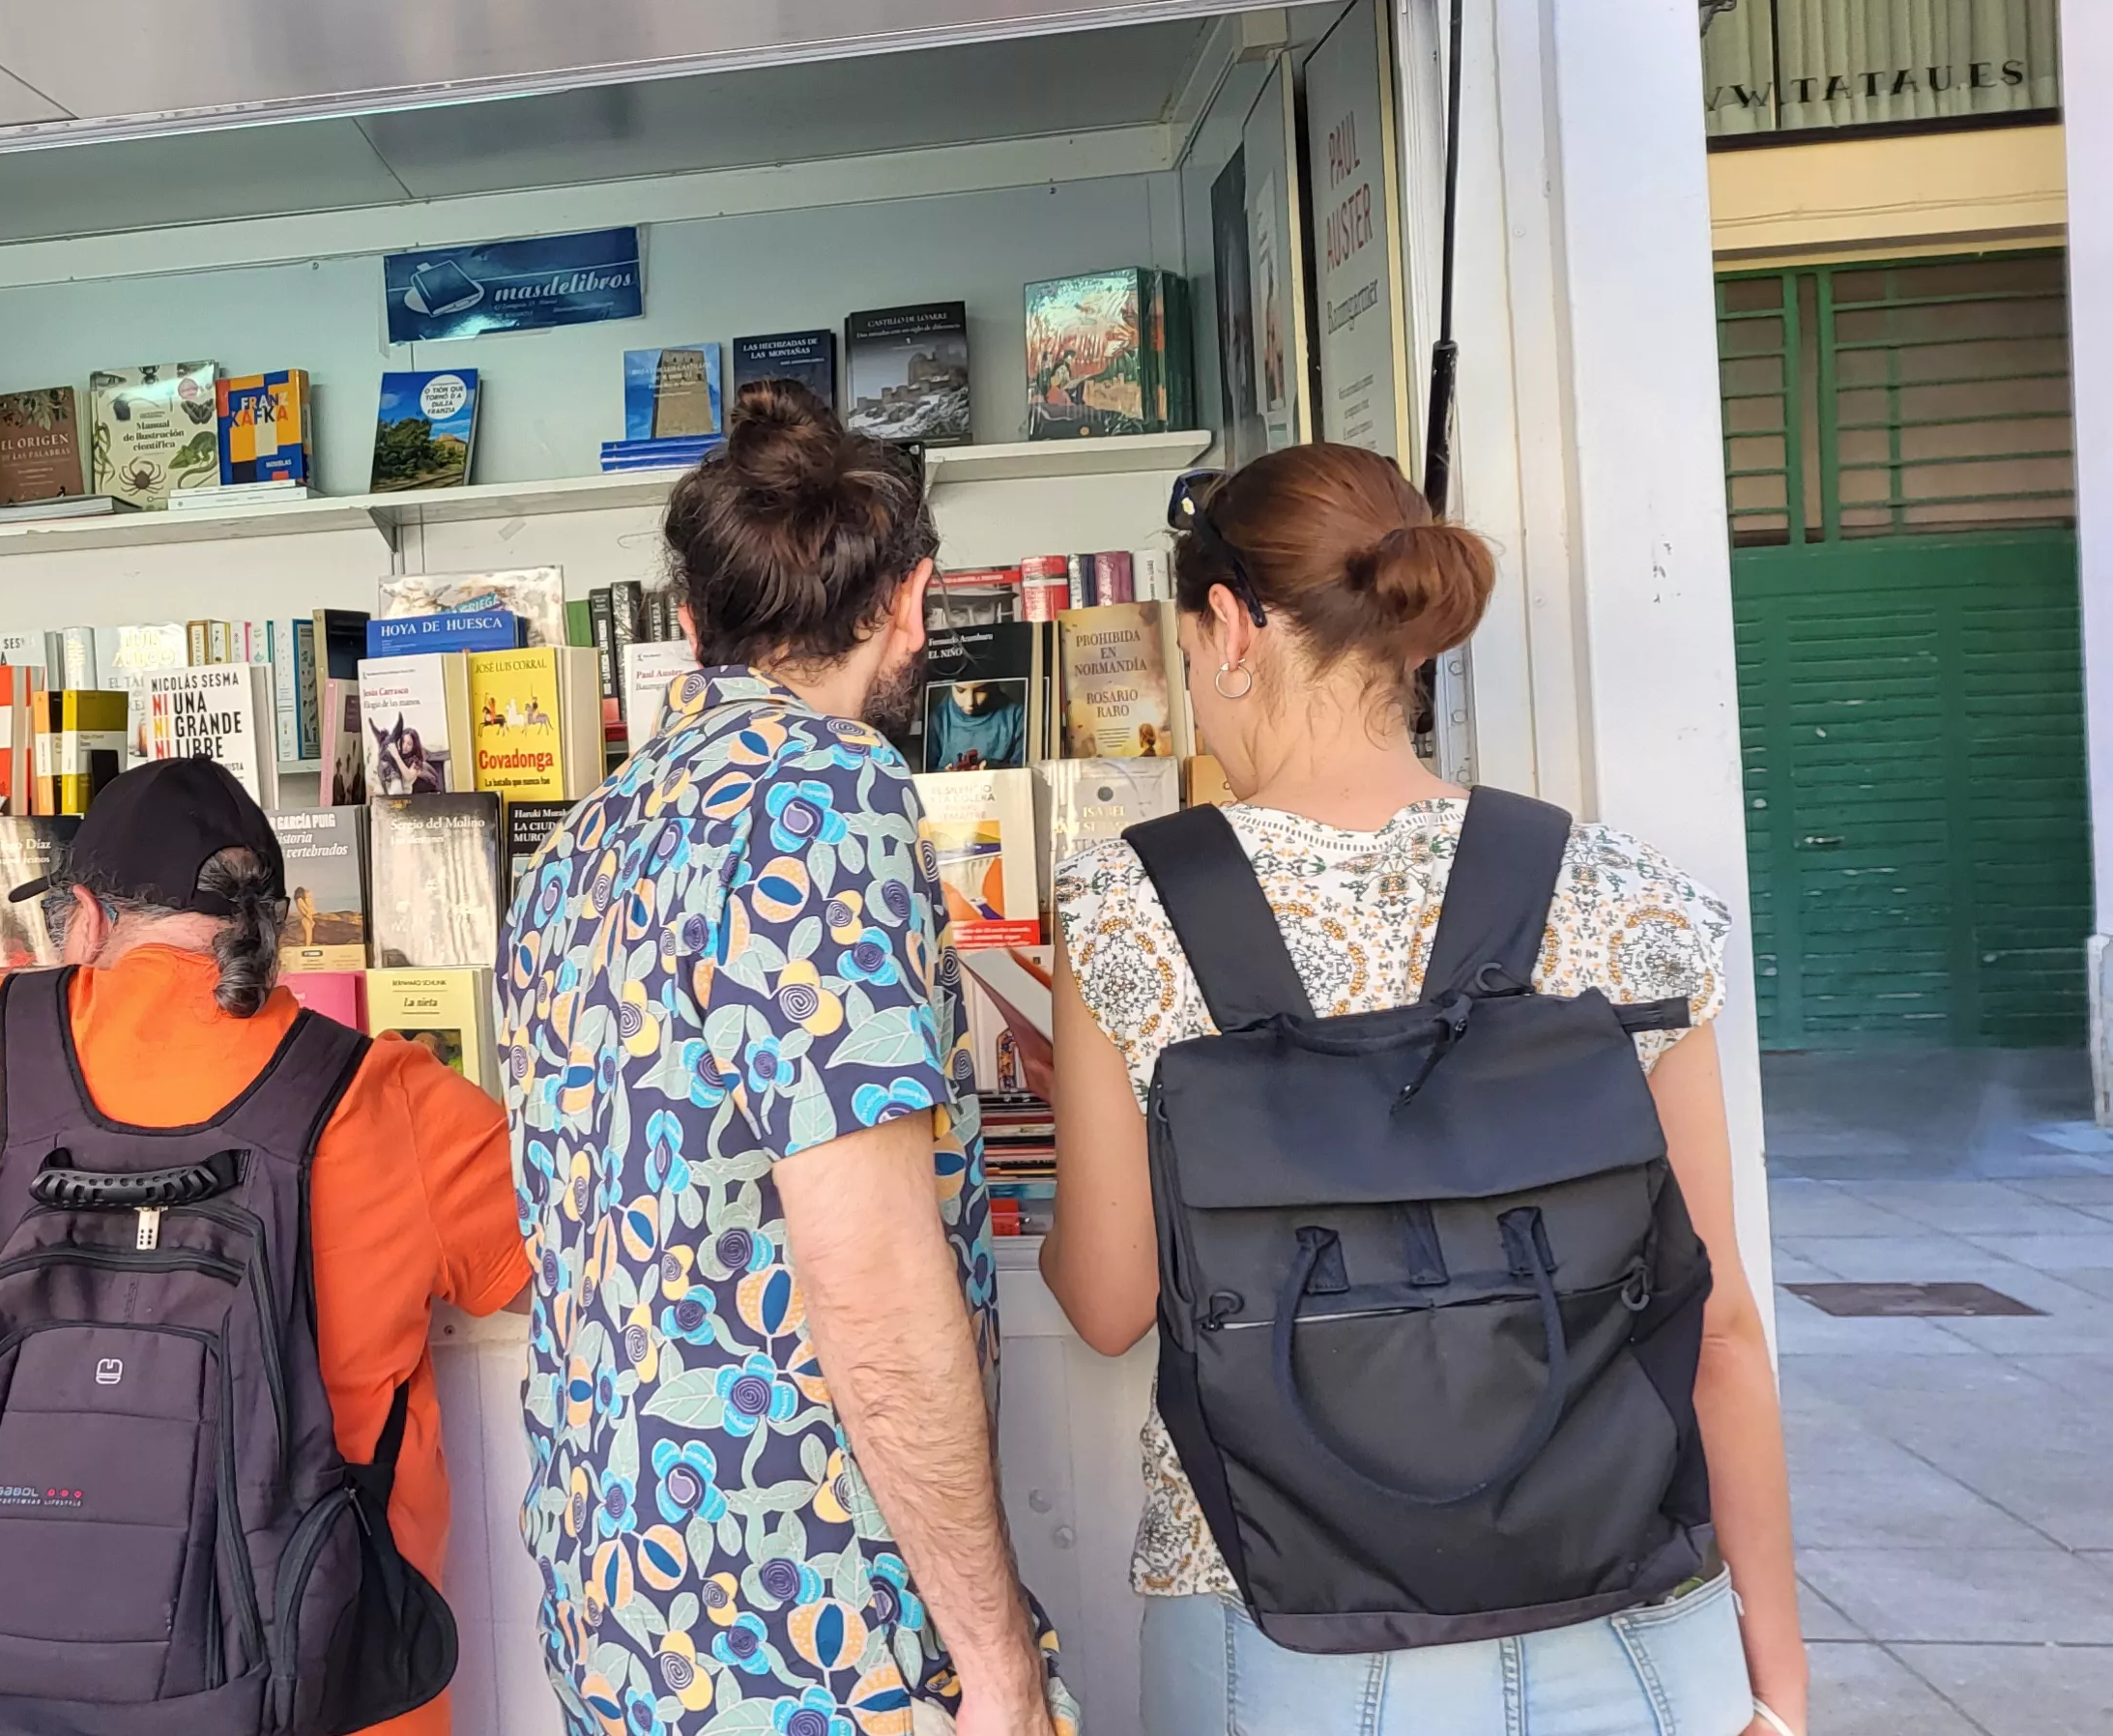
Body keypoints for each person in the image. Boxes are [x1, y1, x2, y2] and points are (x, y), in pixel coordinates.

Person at [1036, 443, 1805, 1736]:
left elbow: (1111, 1306)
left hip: (1276, 1642)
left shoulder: (1129, 910)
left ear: (1229, 626)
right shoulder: (1624, 899)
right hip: (1629, 1624)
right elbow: (1717, 1329)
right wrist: (1776, 1679)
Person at [500, 381, 1072, 1736]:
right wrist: (996, 1665)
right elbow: (866, 1272)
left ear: (692, 623)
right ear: (911, 599)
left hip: (626, 1608)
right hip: (804, 1612)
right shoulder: (828, 790)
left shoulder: (583, 840)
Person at [0, 756, 529, 1736]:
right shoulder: (386, 1094)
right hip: (313, 1687)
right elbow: (579, 1270)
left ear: (83, 915)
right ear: (274, 929)